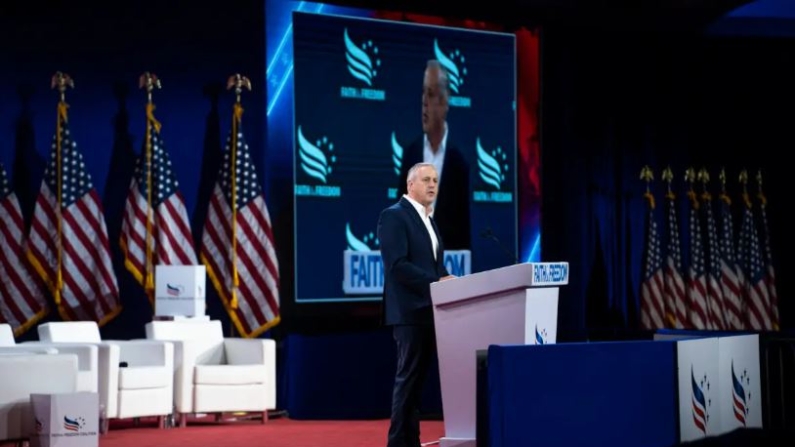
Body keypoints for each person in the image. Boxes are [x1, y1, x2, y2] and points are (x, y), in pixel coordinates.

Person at [378, 162, 456, 447]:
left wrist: (447, 277)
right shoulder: (394, 216)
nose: (432, 185)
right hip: (409, 312)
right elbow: (397, 266)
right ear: (410, 185)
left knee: (416, 385)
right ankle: (398, 443)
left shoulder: (429, 219)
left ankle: (411, 442)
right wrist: (435, 282)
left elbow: (431, 265)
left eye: (435, 180)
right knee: (407, 380)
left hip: (430, 311)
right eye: (426, 180)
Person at [398, 59, 471, 251]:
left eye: (430, 94)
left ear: (444, 103)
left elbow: (463, 232)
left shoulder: (459, 162)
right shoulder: (410, 155)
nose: (424, 102)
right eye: (423, 93)